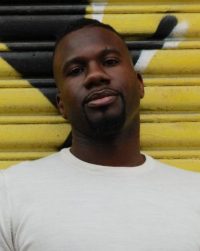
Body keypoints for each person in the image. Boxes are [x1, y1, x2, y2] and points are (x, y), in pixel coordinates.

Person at [0, 18, 200, 251]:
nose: (95, 75)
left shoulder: (194, 194)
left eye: (110, 61)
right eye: (76, 70)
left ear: (139, 84)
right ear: (61, 105)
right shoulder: (11, 193)